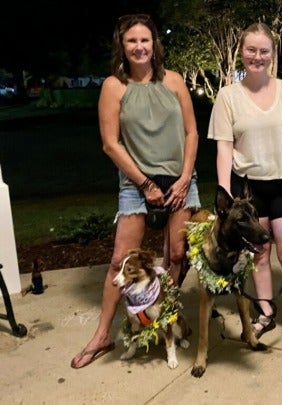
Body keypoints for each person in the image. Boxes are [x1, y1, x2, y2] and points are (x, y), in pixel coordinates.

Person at [70, 14, 200, 369]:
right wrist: (145, 183)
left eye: (145, 40)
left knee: (175, 255)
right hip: (136, 182)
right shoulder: (114, 86)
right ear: (122, 47)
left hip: (179, 180)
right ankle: (103, 335)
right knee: (119, 259)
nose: (140, 47)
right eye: (132, 41)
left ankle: (164, 318)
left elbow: (191, 133)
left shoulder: (174, 81)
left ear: (154, 44)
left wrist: (186, 176)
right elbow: (110, 145)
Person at [207, 22, 282, 354]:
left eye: (264, 50)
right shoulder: (228, 97)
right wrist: (225, 191)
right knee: (259, 253)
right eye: (251, 50)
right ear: (242, 52)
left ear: (273, 54)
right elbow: (224, 147)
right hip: (248, 189)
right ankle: (266, 311)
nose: (257, 56)